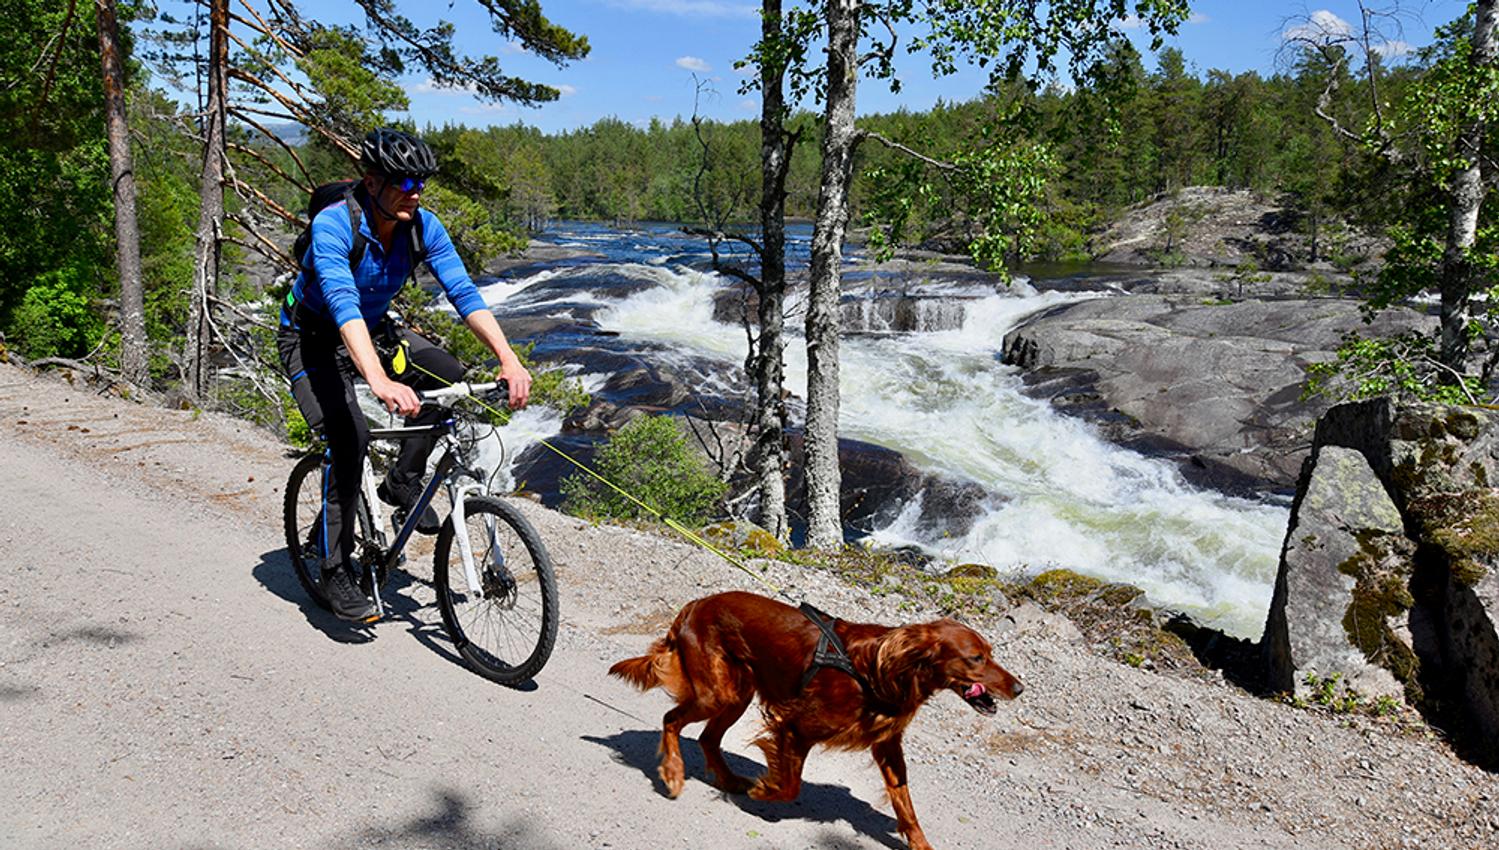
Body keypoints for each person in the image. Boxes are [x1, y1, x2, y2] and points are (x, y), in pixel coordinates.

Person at [278, 127, 532, 622]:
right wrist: (377, 379)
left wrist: (508, 356)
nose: (414, 192)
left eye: (420, 183)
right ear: (371, 182)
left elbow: (462, 291)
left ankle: (402, 480)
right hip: (310, 339)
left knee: (449, 379)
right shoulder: (336, 226)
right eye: (402, 182)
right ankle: (334, 569)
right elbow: (341, 302)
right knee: (347, 440)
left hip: (372, 331)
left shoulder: (422, 225)